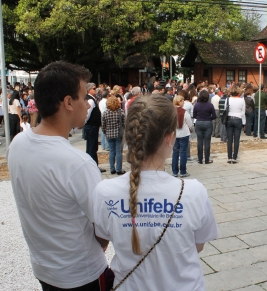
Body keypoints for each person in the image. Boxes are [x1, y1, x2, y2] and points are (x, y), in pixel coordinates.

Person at [92, 95, 218, 291]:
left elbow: (102, 240)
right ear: (169, 138)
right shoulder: (193, 192)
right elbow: (198, 246)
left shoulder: (104, 191)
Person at [7, 61, 109, 290]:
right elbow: (103, 228)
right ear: (68, 102)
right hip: (81, 273)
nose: (87, 104)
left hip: (45, 267)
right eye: (84, 97)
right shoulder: (77, 163)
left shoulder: (17, 144)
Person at [84, 83, 106, 172]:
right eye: (94, 88)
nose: (95, 89)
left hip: (93, 126)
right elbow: (87, 114)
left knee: (92, 147)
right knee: (92, 147)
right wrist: (84, 123)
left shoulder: (91, 99)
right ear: (89, 90)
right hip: (91, 126)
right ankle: (93, 167)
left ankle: (91, 166)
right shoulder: (90, 100)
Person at [102, 96, 125, 175]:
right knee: (118, 152)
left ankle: (112, 169)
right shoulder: (120, 111)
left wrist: (105, 132)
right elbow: (124, 123)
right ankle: (119, 169)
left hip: (109, 134)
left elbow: (103, 125)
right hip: (118, 134)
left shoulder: (105, 113)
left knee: (112, 152)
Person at [172, 95, 193, 177]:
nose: (183, 102)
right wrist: (191, 128)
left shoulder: (171, 111)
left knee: (175, 152)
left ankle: (174, 171)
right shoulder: (184, 112)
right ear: (179, 102)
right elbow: (189, 123)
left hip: (174, 134)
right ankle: (183, 171)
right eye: (182, 101)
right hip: (183, 133)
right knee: (183, 152)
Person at [193, 90, 216, 164]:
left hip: (199, 122)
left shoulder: (196, 105)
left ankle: (200, 159)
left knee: (199, 141)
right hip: (208, 123)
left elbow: (194, 115)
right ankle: (207, 159)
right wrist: (209, 118)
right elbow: (214, 116)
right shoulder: (210, 105)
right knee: (207, 142)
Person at [225, 85, 246, 164]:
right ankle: (235, 157)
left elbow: (225, 109)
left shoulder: (228, 99)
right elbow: (243, 112)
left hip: (229, 118)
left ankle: (229, 156)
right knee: (236, 139)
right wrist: (244, 122)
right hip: (238, 118)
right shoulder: (241, 100)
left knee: (229, 139)